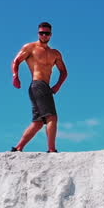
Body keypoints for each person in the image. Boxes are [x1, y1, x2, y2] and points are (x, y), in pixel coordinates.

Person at [11, 21, 68, 152]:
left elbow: (64, 71)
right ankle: (52, 150)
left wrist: (58, 85)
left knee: (38, 122)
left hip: (45, 87)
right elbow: (16, 61)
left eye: (46, 33)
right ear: (38, 33)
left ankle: (18, 147)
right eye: (41, 33)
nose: (44, 35)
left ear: (50, 35)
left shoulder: (55, 53)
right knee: (52, 117)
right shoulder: (30, 47)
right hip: (38, 84)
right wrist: (15, 76)